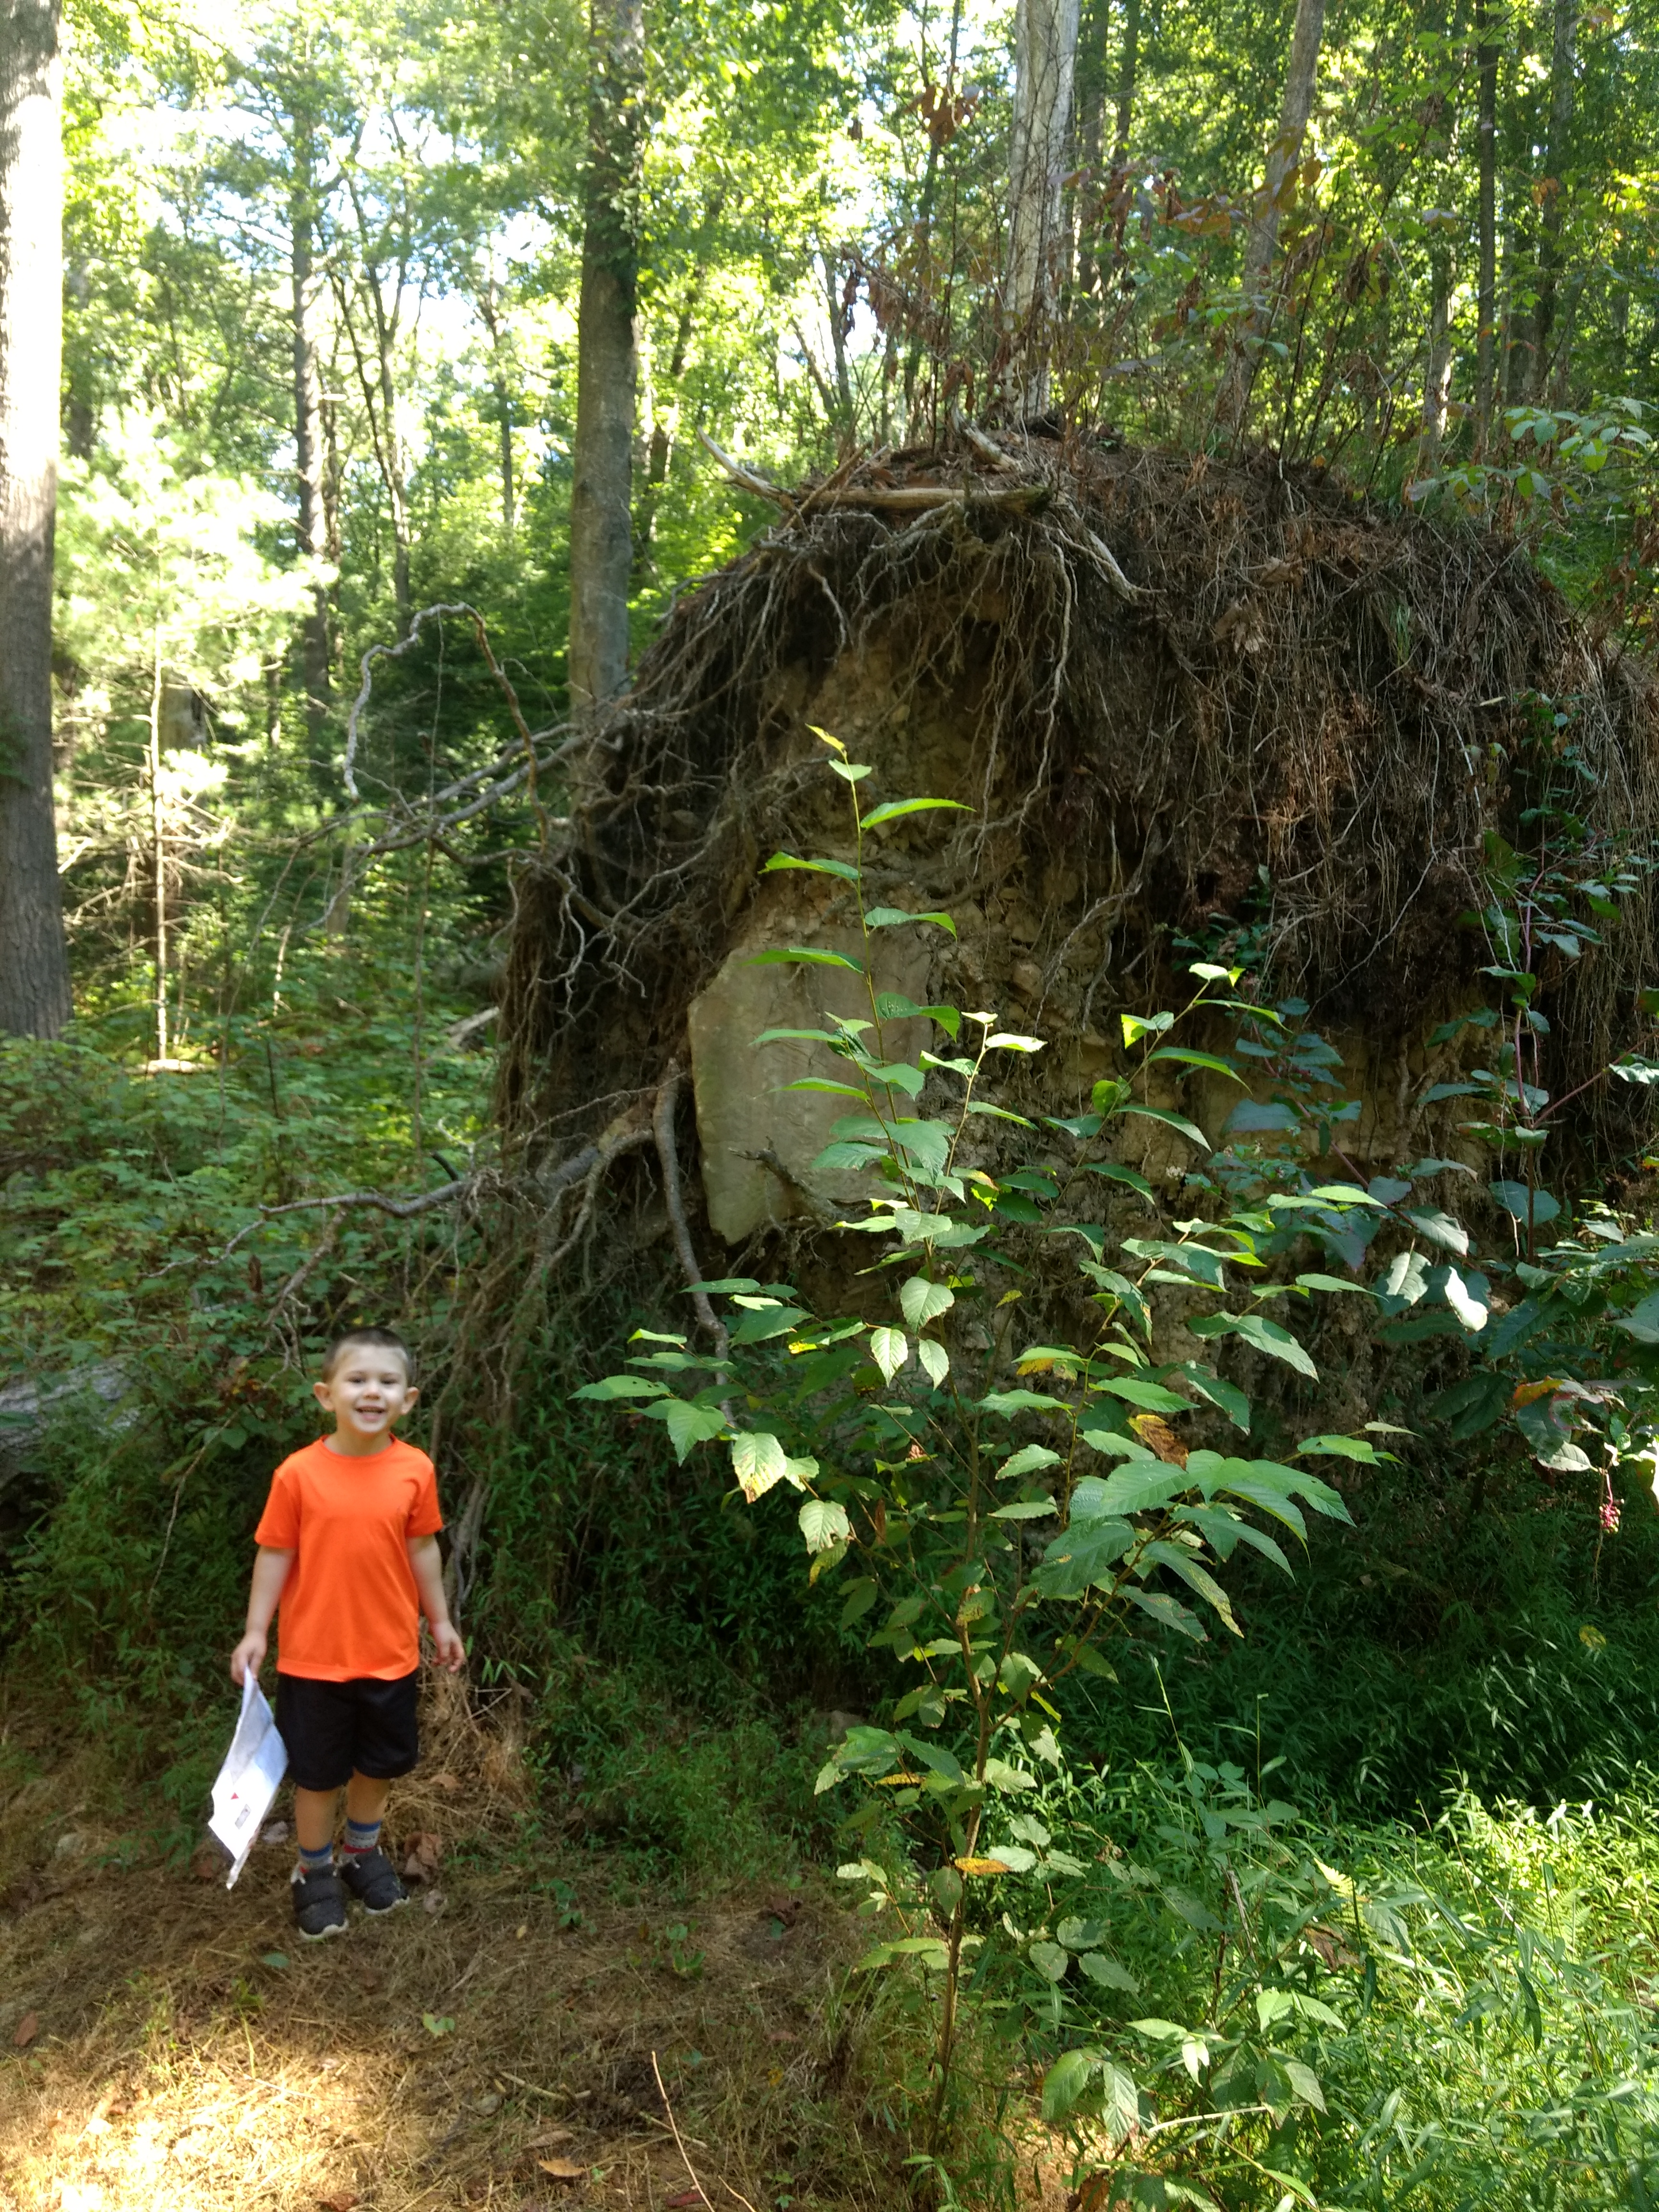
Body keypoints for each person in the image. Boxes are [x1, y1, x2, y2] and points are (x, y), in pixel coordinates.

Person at [230, 1326, 465, 1940]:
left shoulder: (415, 1469)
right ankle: (313, 1871)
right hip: (313, 1661)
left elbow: (423, 1549)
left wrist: (438, 1620)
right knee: (318, 1773)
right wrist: (257, 1631)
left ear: (408, 1400)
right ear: (325, 1394)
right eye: (357, 1380)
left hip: (389, 1656)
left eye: (387, 1382)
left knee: (377, 1764)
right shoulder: (299, 1475)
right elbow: (274, 1555)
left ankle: (362, 1853)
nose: (371, 1392)